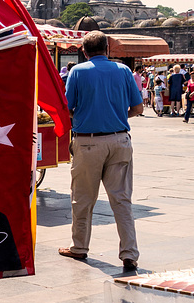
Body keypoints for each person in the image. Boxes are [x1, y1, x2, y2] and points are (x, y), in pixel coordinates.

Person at [58, 30, 143, 272]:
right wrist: (116, 116)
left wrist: (86, 115)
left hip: (88, 143)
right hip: (120, 141)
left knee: (83, 199)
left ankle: (79, 247)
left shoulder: (77, 71)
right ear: (107, 49)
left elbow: (68, 107)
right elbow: (137, 108)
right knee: (122, 200)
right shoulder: (124, 71)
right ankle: (129, 253)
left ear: (84, 52)